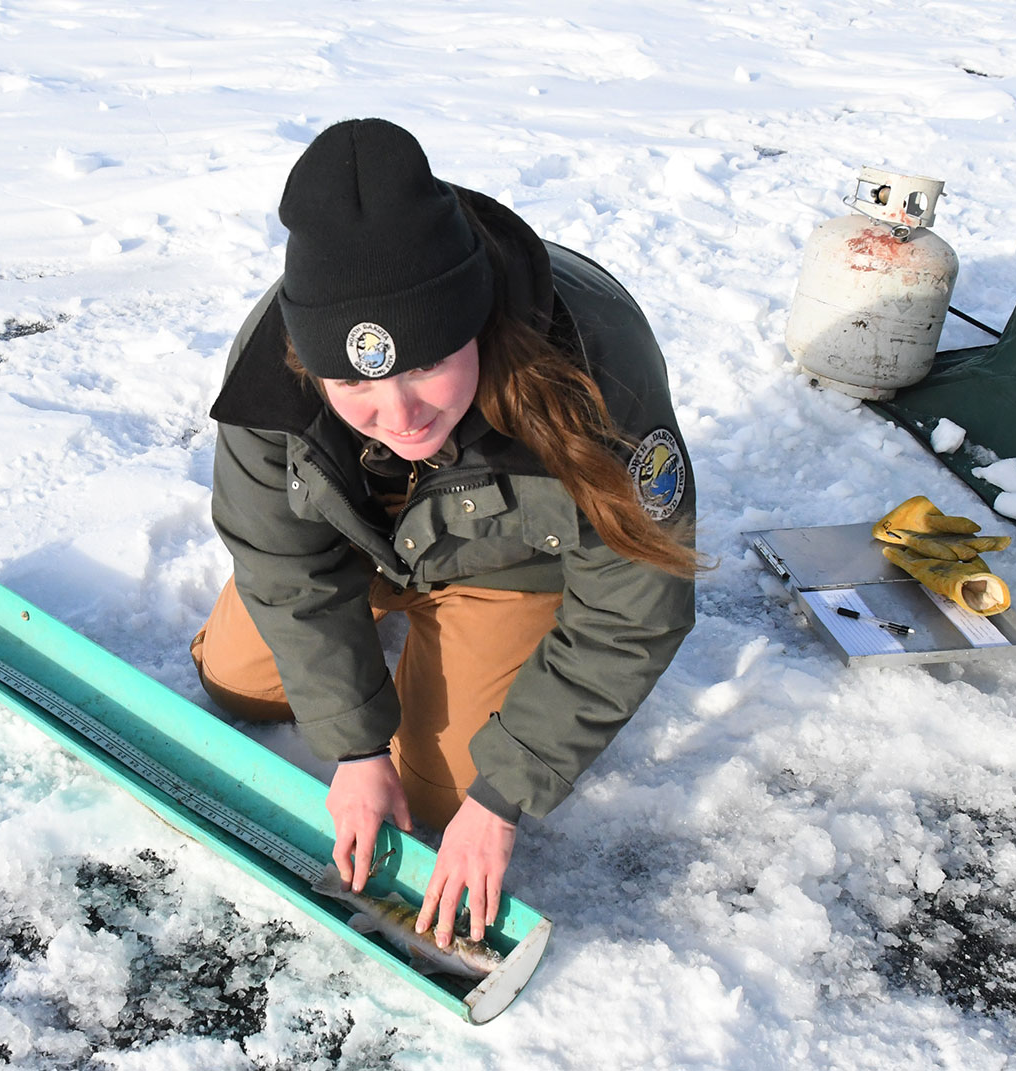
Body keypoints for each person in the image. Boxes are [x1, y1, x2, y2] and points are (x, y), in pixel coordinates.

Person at [190, 118, 698, 956]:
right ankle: (388, 644)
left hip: (503, 561)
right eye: (354, 382)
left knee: (451, 786)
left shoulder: (595, 371)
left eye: (426, 365)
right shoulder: (272, 361)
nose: (400, 416)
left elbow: (635, 605)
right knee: (238, 685)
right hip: (363, 543)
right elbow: (282, 560)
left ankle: (454, 649)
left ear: (474, 326)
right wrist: (354, 748)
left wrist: (502, 798)